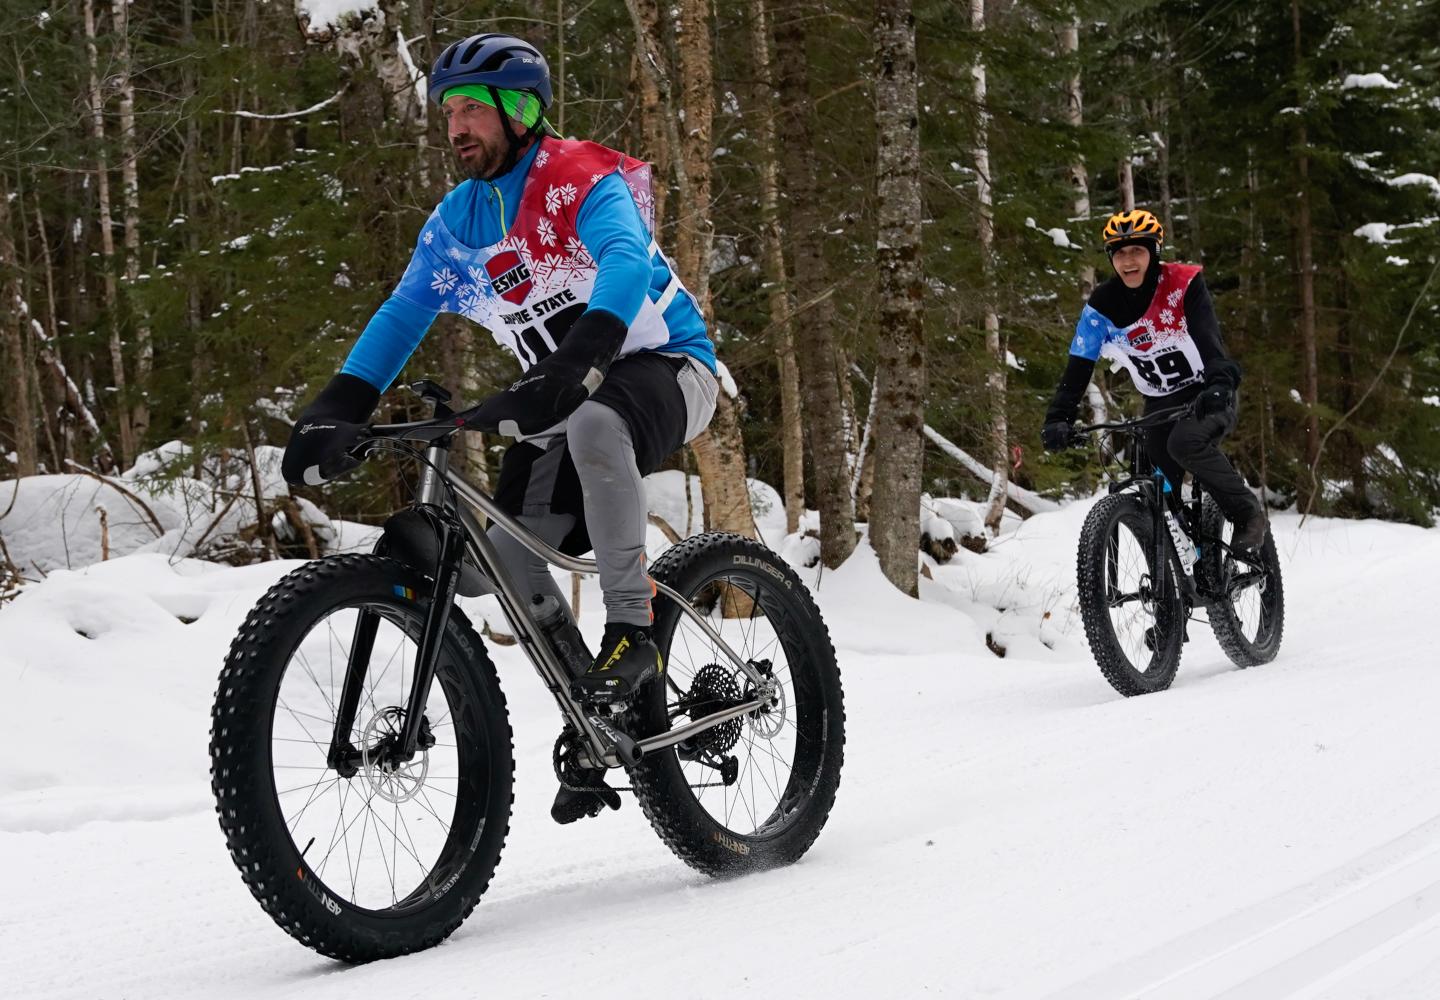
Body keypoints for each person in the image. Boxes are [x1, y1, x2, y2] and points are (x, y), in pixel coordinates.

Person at [280, 34, 720, 818]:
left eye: (473, 109)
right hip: (565, 395)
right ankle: (598, 713)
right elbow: (403, 313)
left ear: (521, 110)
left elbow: (621, 261)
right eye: (448, 111)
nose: (457, 127)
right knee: (503, 549)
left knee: (590, 423)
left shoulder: (576, 176)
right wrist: (337, 405)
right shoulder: (457, 223)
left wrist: (585, 354)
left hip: (668, 367)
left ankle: (634, 627)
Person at [1041, 209, 1267, 552]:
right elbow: (1078, 365)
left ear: (1154, 252)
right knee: (1154, 486)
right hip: (1160, 402)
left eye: (1137, 251)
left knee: (1185, 443)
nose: (1128, 261)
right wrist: (1059, 417)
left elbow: (1209, 340)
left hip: (1206, 392)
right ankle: (1175, 583)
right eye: (1119, 253)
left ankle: (1247, 513)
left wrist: (1220, 382)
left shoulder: (1181, 284)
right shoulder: (1102, 306)